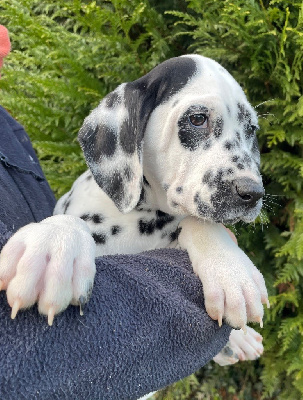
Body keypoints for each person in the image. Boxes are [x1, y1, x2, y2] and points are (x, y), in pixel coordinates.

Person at [0, 26, 261, 400]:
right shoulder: (80, 214)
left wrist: (209, 241)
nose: (249, 178)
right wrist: (62, 228)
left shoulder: (11, 135)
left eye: (247, 132)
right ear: (131, 126)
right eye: (199, 120)